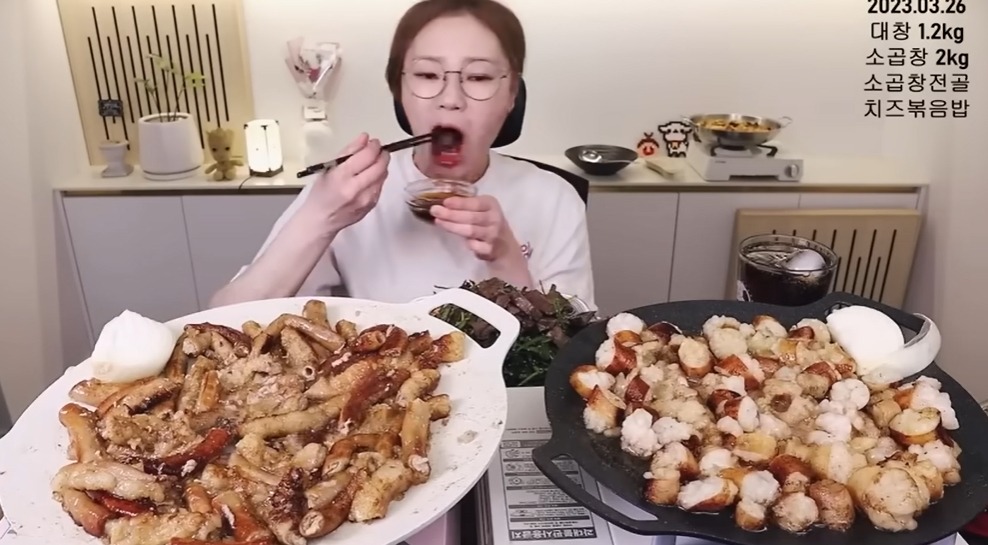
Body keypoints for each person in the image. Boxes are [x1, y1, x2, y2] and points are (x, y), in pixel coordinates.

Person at [210, 0, 594, 309]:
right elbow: (222, 321)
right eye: (427, 75)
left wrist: (508, 259)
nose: (450, 99)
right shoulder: (347, 192)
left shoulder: (554, 198)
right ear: (399, 89)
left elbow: (575, 348)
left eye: (478, 77)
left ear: (512, 95)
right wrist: (319, 218)